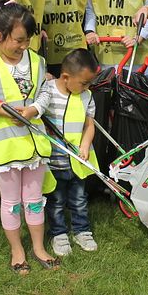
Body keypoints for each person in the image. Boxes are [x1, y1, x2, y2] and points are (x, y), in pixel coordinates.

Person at [0, 0, 59, 275]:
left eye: (27, 39)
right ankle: (17, 250)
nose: (24, 45)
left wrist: (35, 109)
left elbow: (44, 92)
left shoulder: (37, 61)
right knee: (11, 201)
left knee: (34, 198)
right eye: (18, 40)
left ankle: (39, 247)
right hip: (3, 149)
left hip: (34, 146)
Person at [44, 49, 99, 256]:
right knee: (55, 201)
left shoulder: (86, 96)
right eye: (83, 83)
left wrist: (85, 145)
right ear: (65, 77)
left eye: (89, 84)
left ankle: (82, 231)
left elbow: (89, 125)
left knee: (79, 199)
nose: (87, 87)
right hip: (53, 161)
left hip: (77, 161)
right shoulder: (47, 92)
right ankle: (58, 233)